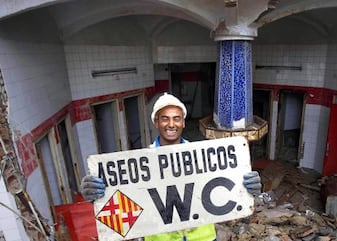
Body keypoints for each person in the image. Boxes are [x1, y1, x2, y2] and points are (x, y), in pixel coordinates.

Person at [80, 92, 262, 241]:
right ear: (156, 122)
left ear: (183, 122)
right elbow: (122, 206)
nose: (171, 124)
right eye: (165, 118)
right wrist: (98, 195)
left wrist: (247, 188)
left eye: (176, 118)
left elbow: (224, 192)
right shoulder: (142, 164)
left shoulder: (203, 158)